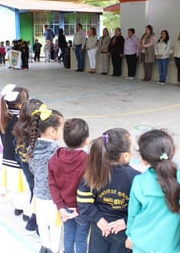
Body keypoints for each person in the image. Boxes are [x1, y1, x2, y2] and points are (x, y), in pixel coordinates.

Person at [125, 130, 180, 253]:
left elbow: (132, 214)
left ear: (143, 159)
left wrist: (130, 235)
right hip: (173, 247)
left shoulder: (139, 182)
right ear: (174, 151)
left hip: (142, 246)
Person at [77, 128, 140, 253]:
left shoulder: (94, 173)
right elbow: (143, 208)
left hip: (100, 228)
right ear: (125, 155)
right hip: (122, 231)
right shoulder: (136, 178)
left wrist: (98, 218)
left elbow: (83, 199)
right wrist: (126, 221)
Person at [49, 118, 90, 253]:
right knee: (81, 237)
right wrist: (78, 210)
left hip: (65, 207)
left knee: (68, 235)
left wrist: (60, 206)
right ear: (86, 141)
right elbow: (91, 188)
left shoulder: (56, 158)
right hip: (82, 208)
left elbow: (52, 184)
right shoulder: (88, 161)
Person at [29, 104, 64, 253]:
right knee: (55, 227)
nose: (63, 131)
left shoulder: (32, 147)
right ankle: (54, 250)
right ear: (51, 131)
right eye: (61, 128)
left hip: (38, 195)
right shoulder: (56, 151)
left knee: (42, 224)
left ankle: (45, 247)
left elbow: (32, 169)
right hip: (52, 198)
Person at [13, 99, 44, 233]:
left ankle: (32, 223)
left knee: (34, 194)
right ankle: (37, 226)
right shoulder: (39, 141)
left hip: (27, 172)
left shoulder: (18, 135)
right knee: (39, 198)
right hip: (39, 175)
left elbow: (17, 157)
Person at [0, 85, 30, 213]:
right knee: (25, 189)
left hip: (7, 158)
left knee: (15, 188)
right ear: (20, 104)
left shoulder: (4, 118)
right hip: (19, 161)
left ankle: (18, 208)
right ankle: (27, 213)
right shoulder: (23, 120)